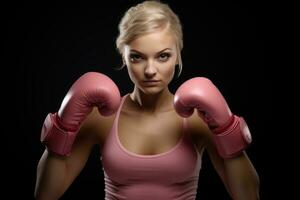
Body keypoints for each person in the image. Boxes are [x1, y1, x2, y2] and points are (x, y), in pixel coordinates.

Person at [34, 1, 260, 199]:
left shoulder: (197, 120)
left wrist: (228, 128)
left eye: (163, 56)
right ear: (124, 56)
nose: (150, 70)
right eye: (137, 57)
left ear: (178, 54)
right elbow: (46, 194)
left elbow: (248, 195)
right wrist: (63, 127)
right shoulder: (101, 118)